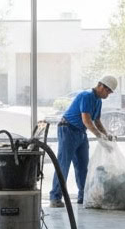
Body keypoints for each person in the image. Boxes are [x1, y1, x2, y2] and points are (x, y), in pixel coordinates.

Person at [49, 74, 118, 208]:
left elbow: (96, 121)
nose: (108, 95)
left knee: (82, 166)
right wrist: (99, 136)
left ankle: (84, 196)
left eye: (110, 92)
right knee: (63, 165)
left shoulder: (98, 101)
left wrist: (106, 134)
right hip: (68, 130)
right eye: (108, 91)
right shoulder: (86, 96)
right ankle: (55, 197)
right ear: (101, 86)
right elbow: (86, 120)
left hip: (80, 133)